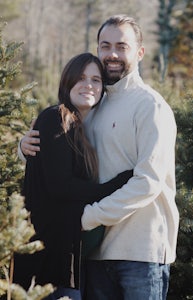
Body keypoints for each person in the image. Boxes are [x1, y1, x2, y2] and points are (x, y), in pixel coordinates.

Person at [18, 15, 179, 300]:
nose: (112, 54)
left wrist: (88, 217)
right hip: (93, 254)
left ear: (140, 52)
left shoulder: (150, 106)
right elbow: (62, 161)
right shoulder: (92, 106)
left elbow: (148, 182)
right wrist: (26, 149)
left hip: (140, 252)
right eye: (105, 46)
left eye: (121, 46)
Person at [14, 52, 132, 300]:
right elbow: (61, 186)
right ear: (67, 81)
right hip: (45, 261)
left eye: (96, 80)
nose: (88, 84)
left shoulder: (79, 127)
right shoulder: (55, 118)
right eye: (80, 78)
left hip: (64, 254)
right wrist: (116, 185)